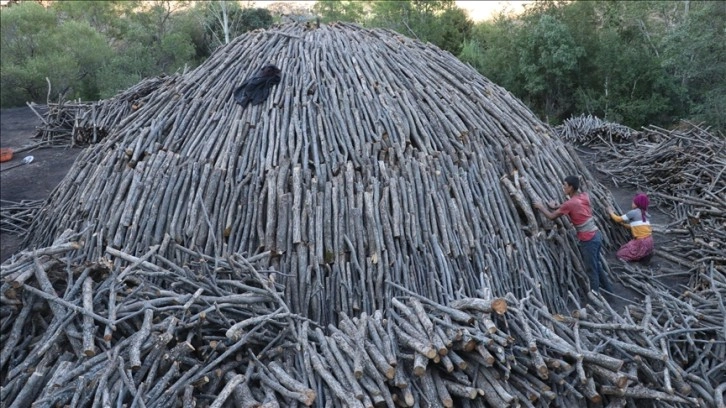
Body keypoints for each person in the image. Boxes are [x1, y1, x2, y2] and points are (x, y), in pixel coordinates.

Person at [532, 175, 613, 295]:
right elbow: (573, 205)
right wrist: (558, 207)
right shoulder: (584, 196)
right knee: (596, 264)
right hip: (596, 235)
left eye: (565, 185)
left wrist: (540, 207)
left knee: (591, 268)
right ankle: (608, 290)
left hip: (588, 239)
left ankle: (595, 293)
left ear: (570, 187)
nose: (563, 187)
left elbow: (551, 216)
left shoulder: (570, 204)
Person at [608, 193, 654, 262]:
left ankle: (637, 258)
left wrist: (611, 212)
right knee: (641, 251)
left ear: (637, 204)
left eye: (633, 202)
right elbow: (637, 227)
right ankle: (645, 255)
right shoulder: (645, 213)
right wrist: (624, 225)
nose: (632, 203)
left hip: (641, 242)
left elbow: (618, 219)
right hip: (650, 241)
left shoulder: (633, 213)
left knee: (620, 254)